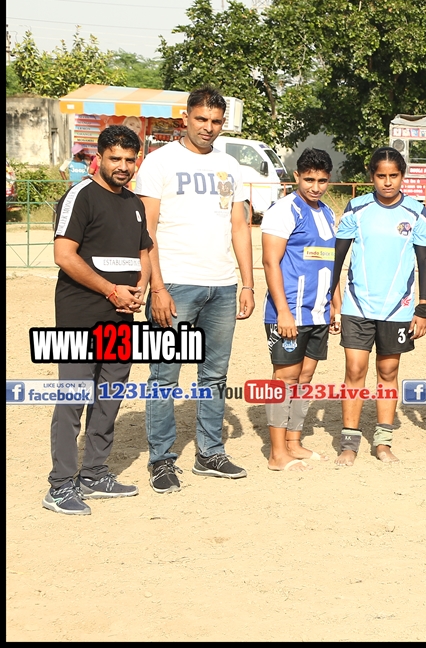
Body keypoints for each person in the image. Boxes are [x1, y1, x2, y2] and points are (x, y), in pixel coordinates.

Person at [136, 85, 255, 493]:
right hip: (174, 284)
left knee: (214, 375)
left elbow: (239, 226)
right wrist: (157, 288)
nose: (208, 127)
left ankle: (210, 453)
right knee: (164, 377)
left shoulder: (230, 165)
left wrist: (247, 283)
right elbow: (146, 230)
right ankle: (161, 460)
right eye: (201, 119)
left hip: (221, 285)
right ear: (184, 118)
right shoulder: (159, 162)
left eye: (216, 121)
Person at [44, 125, 150, 514]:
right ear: (98, 158)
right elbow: (64, 255)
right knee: (73, 398)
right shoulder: (81, 196)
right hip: (80, 317)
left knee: (109, 397)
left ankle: (94, 474)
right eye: (115, 158)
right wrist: (110, 290)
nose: (122, 166)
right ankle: (60, 486)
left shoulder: (135, 203)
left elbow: (144, 252)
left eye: (129, 159)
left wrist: (140, 288)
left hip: (120, 319)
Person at [330, 147, 426, 465]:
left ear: (403, 176)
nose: (387, 182)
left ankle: (383, 442)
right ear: (371, 176)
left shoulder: (417, 212)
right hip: (357, 305)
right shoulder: (356, 208)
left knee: (388, 371)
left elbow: (425, 263)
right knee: (355, 369)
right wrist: (332, 297)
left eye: (394, 176)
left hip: (397, 309)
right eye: (381, 176)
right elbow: (337, 256)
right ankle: (349, 442)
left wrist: (423, 308)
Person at [259, 148, 339, 472]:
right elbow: (270, 262)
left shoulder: (328, 213)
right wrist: (283, 311)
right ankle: (277, 452)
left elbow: (330, 261)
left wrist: (334, 303)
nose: (315, 187)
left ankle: (294, 441)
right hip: (290, 311)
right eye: (308, 180)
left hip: (318, 312)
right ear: (296, 177)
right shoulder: (283, 210)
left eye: (322, 180)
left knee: (305, 377)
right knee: (285, 377)